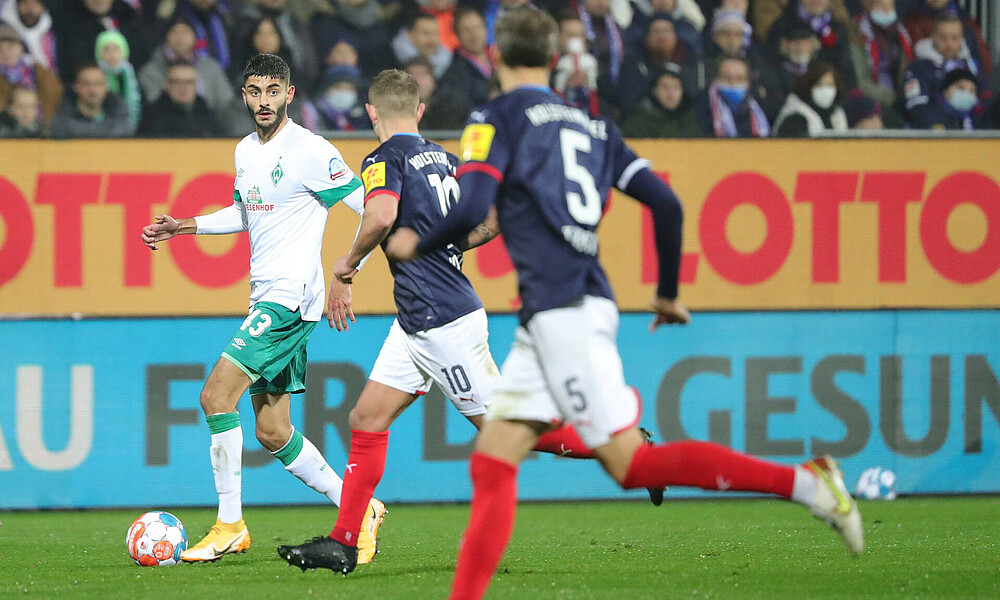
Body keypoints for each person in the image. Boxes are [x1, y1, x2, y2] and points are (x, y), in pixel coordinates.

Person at [382, 8, 864, 599]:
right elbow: (667, 205)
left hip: (563, 313)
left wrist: (416, 240)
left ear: (496, 57)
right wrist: (667, 293)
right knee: (493, 459)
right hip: (566, 310)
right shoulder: (593, 126)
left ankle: (807, 485)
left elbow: (472, 204)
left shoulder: (494, 117)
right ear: (554, 58)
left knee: (631, 465)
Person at [276, 66, 667, 574]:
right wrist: (449, 246)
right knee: (366, 419)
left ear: (371, 112)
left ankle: (638, 452)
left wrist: (346, 266)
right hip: (417, 321)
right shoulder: (446, 160)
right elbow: (493, 216)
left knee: (515, 428)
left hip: (443, 322)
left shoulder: (383, 158)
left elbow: (380, 215)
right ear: (419, 111)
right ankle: (345, 540)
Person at [138, 53, 383, 564]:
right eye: (255, 91)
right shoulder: (245, 150)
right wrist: (185, 226)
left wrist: (346, 274)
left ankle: (230, 525)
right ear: (245, 96)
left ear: (289, 95)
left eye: (274, 91)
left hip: (289, 298)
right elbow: (245, 213)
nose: (264, 100)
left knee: (215, 396)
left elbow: (370, 206)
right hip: (266, 294)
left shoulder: (311, 149)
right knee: (272, 431)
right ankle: (360, 509)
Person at [0, 22, 62, 127]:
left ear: (21, 49)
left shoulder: (38, 71)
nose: (5, 52)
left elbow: (53, 95)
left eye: (11, 46)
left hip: (39, 126)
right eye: (0, 49)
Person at [138, 61, 223, 137]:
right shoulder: (151, 118)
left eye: (189, 82)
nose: (183, 88)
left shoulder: (207, 115)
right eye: (177, 82)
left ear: (196, 85)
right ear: (166, 85)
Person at [50, 61, 133, 138]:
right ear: (76, 87)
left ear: (106, 87)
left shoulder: (120, 114)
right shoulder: (62, 118)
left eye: (98, 83)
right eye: (86, 84)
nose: (92, 90)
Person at [694, 55, 770, 137]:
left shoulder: (760, 107)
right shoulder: (700, 107)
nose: (733, 83)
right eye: (726, 77)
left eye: (739, 78)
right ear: (715, 79)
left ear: (748, 83)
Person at [620, 64, 701, 137]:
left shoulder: (689, 119)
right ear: (654, 90)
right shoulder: (638, 120)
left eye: (676, 87)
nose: (671, 93)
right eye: (664, 87)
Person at [773, 60, 848, 136]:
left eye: (830, 85)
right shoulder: (795, 117)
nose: (825, 90)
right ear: (808, 87)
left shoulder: (837, 115)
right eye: (819, 85)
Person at [906, 67, 987, 130]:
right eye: (961, 88)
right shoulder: (926, 116)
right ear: (945, 91)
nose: (966, 94)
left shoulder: (976, 120)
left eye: (972, 91)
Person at [95, 30, 141, 128]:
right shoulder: (95, 76)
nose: (111, 54)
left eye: (116, 49)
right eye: (106, 50)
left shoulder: (130, 74)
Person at [0, 0, 58, 73]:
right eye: (25, 2)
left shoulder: (50, 33)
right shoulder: (4, 31)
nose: (30, 8)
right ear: (17, 5)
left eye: (36, 3)